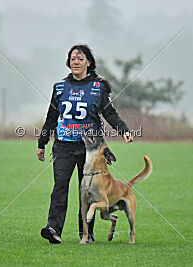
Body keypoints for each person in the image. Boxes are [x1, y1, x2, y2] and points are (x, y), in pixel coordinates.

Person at [37, 44, 133, 244]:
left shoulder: (98, 87)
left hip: (91, 150)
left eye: (80, 59)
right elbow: (51, 117)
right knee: (59, 188)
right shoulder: (60, 87)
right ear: (68, 62)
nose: (76, 62)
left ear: (89, 63)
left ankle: (86, 234)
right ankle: (54, 229)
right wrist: (42, 142)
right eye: (73, 59)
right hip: (63, 146)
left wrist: (123, 130)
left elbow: (109, 113)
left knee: (88, 192)